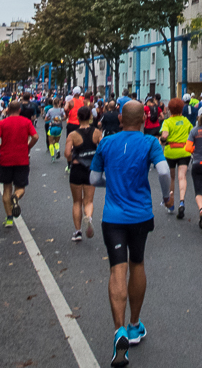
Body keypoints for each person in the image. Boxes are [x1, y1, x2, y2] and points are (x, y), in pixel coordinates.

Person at [89, 101, 172, 367]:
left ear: (121, 120)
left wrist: (109, 182)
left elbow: (93, 179)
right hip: (140, 215)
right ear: (144, 121)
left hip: (112, 217)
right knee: (137, 263)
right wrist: (167, 196)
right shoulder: (150, 143)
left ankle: (119, 330)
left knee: (117, 270)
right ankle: (135, 325)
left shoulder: (106, 143)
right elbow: (162, 171)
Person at [0, 100, 38, 228]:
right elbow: (35, 136)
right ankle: (16, 197)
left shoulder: (2, 123)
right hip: (22, 159)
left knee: (6, 188)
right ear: (19, 110)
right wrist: (28, 147)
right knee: (21, 187)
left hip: (5, 159)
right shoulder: (26, 122)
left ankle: (9, 218)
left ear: (7, 110)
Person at [65, 105, 103, 242]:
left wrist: (72, 160)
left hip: (77, 169)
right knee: (89, 200)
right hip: (91, 169)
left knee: (76, 201)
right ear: (91, 117)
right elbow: (103, 149)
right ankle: (89, 217)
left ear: (77, 117)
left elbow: (67, 154)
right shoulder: (97, 133)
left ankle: (78, 231)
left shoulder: (73, 135)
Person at [158, 98, 193, 219]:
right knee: (182, 176)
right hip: (184, 151)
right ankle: (182, 201)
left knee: (171, 177)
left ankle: (170, 202)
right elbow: (191, 134)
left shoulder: (167, 122)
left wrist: (163, 139)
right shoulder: (186, 121)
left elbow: (164, 136)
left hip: (171, 152)